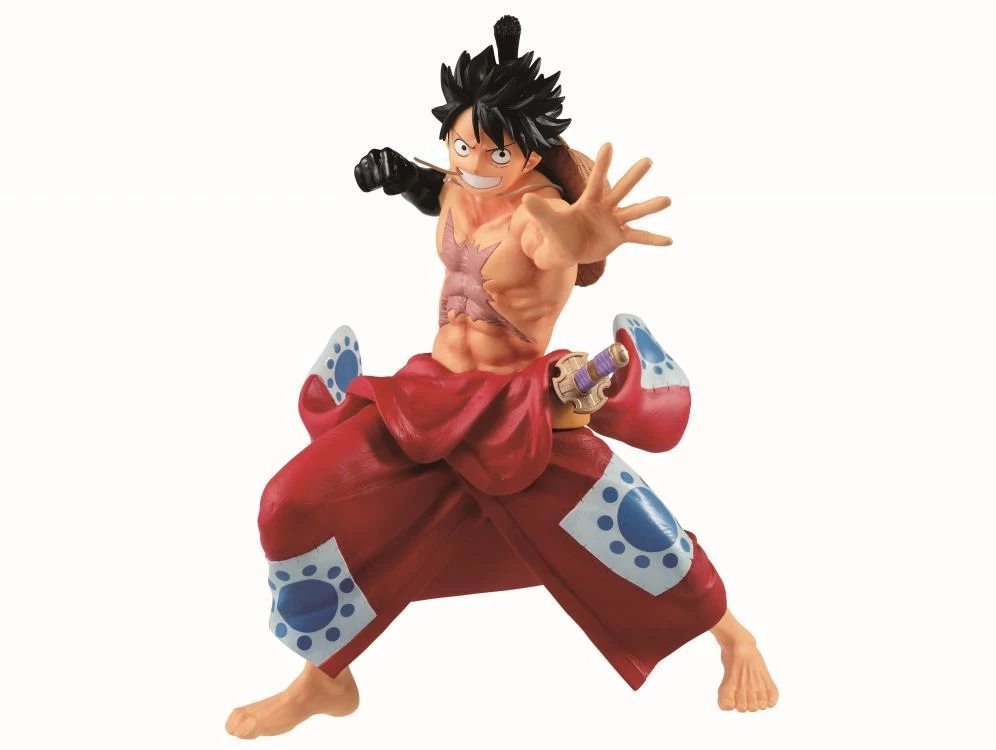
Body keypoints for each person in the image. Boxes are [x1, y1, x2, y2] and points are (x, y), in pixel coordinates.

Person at [226, 15, 778, 740]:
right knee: (291, 502)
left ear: (530, 152)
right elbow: (440, 190)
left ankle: (734, 635)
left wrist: (586, 235)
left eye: (496, 150)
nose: (476, 161)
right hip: (427, 396)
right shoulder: (460, 185)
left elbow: (553, 239)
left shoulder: (537, 212)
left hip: (517, 410)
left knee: (618, 519)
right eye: (462, 144)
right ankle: (323, 680)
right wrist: (400, 176)